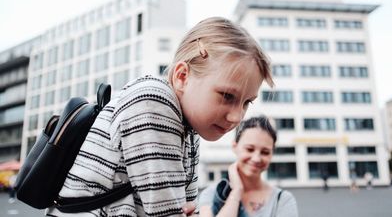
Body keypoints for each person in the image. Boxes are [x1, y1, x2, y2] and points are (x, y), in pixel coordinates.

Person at [46, 16, 274, 217]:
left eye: (247, 102)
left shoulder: (190, 127)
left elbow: (186, 208)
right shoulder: (154, 101)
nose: (237, 117)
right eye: (227, 96)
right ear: (182, 76)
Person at [199, 116, 298, 217]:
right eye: (250, 149)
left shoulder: (283, 200)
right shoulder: (211, 194)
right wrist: (236, 191)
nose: (256, 158)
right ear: (235, 146)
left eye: (265, 152)